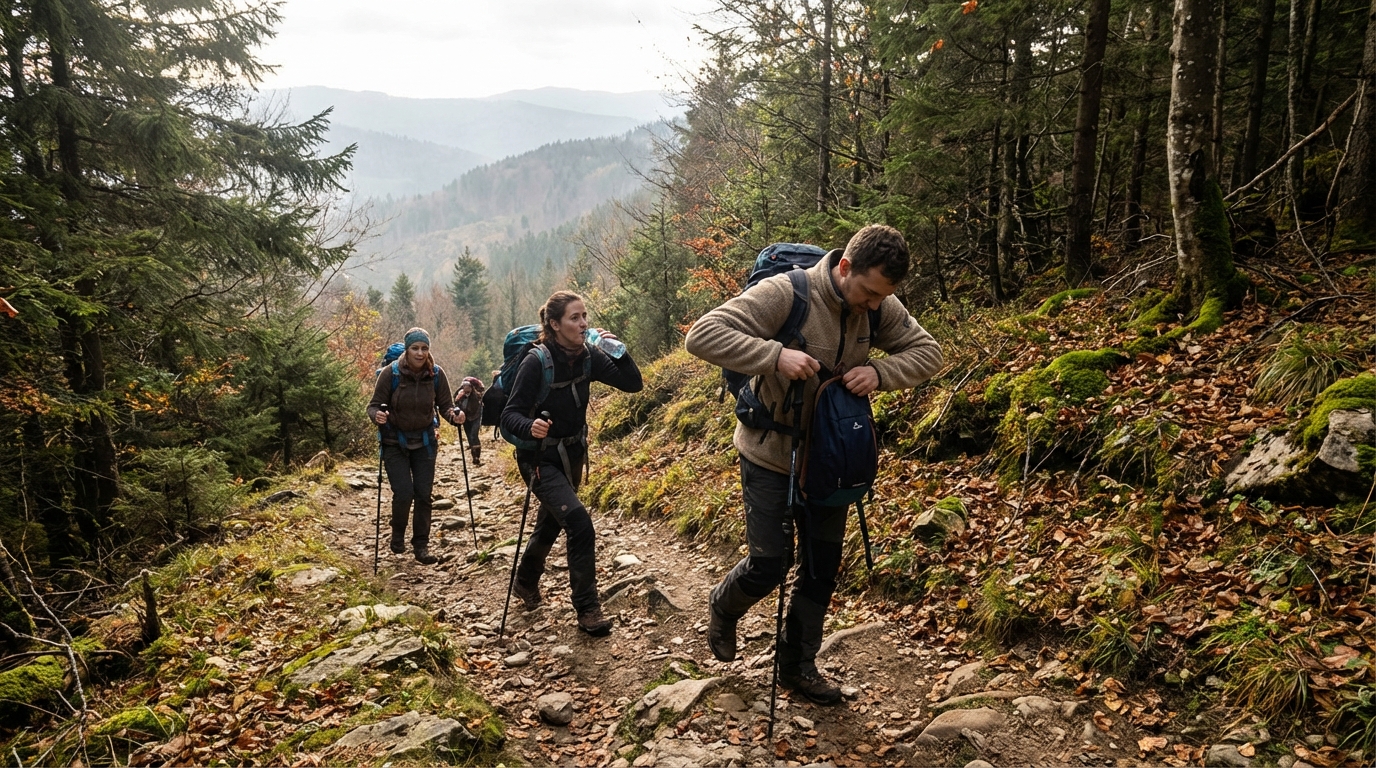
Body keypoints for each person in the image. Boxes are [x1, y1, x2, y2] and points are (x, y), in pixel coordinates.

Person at [684, 225, 943, 703]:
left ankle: (798, 667)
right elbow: (702, 335)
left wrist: (881, 371)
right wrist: (774, 356)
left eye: (882, 298)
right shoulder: (787, 292)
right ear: (845, 268)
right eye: (867, 293)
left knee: (821, 568)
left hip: (830, 461)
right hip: (770, 454)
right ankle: (723, 606)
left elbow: (930, 352)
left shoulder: (878, 303)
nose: (872, 306)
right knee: (770, 563)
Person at [500, 290, 643, 636]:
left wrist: (620, 353)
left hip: (573, 453)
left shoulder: (589, 355)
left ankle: (524, 581)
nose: (583, 324)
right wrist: (528, 426)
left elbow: (633, 384)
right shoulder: (538, 361)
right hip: (538, 458)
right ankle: (588, 609)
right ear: (554, 324)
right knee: (579, 523)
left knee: (552, 521)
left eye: (584, 317)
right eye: (574, 318)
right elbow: (509, 416)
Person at [366, 327, 464, 565]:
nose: (420, 353)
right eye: (415, 348)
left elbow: (445, 406)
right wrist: (377, 415)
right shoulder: (391, 373)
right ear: (407, 349)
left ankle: (421, 546)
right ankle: (397, 536)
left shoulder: (436, 374)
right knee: (404, 493)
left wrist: (455, 416)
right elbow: (373, 405)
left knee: (423, 495)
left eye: (424, 348)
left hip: (425, 442)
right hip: (394, 443)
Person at [455, 376, 485, 466]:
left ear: (471, 387)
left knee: (473, 435)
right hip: (465, 418)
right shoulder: (460, 396)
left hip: (476, 417)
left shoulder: (476, 395)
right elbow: (455, 403)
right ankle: (474, 456)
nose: (466, 388)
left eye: (468, 386)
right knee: (469, 437)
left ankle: (477, 456)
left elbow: (479, 402)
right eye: (464, 386)